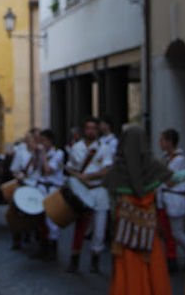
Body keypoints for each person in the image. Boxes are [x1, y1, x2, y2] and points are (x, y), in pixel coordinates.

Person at [104, 126, 185, 295]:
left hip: (125, 231)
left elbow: (112, 203)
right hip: (147, 229)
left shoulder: (116, 170)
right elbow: (177, 177)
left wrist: (117, 222)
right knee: (151, 265)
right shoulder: (152, 166)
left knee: (127, 268)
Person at [65, 116, 112, 274]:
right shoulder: (76, 147)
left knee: (99, 230)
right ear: (84, 130)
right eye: (88, 128)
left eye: (93, 128)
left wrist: (88, 177)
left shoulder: (104, 148)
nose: (90, 131)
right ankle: (74, 260)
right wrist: (75, 177)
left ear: (97, 130)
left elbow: (106, 170)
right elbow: (71, 168)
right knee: (80, 226)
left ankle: (95, 260)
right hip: (82, 191)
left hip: (99, 190)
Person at [156, 128, 185, 272]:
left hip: (174, 198)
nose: (160, 143)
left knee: (177, 232)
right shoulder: (165, 157)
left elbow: (170, 180)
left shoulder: (179, 159)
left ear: (169, 142)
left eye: (162, 140)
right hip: (164, 198)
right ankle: (172, 258)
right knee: (168, 232)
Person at [7, 129, 41, 249]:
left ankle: (36, 234)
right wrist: (20, 177)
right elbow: (14, 170)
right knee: (17, 211)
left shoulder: (40, 153)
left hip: (36, 186)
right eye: (30, 140)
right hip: (23, 184)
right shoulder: (21, 153)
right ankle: (17, 238)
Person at [36, 128, 65, 261]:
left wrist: (42, 155)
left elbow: (48, 170)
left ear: (50, 141)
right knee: (40, 218)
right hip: (42, 186)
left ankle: (53, 248)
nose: (42, 143)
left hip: (52, 188)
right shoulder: (42, 153)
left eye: (43, 140)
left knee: (52, 219)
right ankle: (43, 247)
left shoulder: (58, 153)